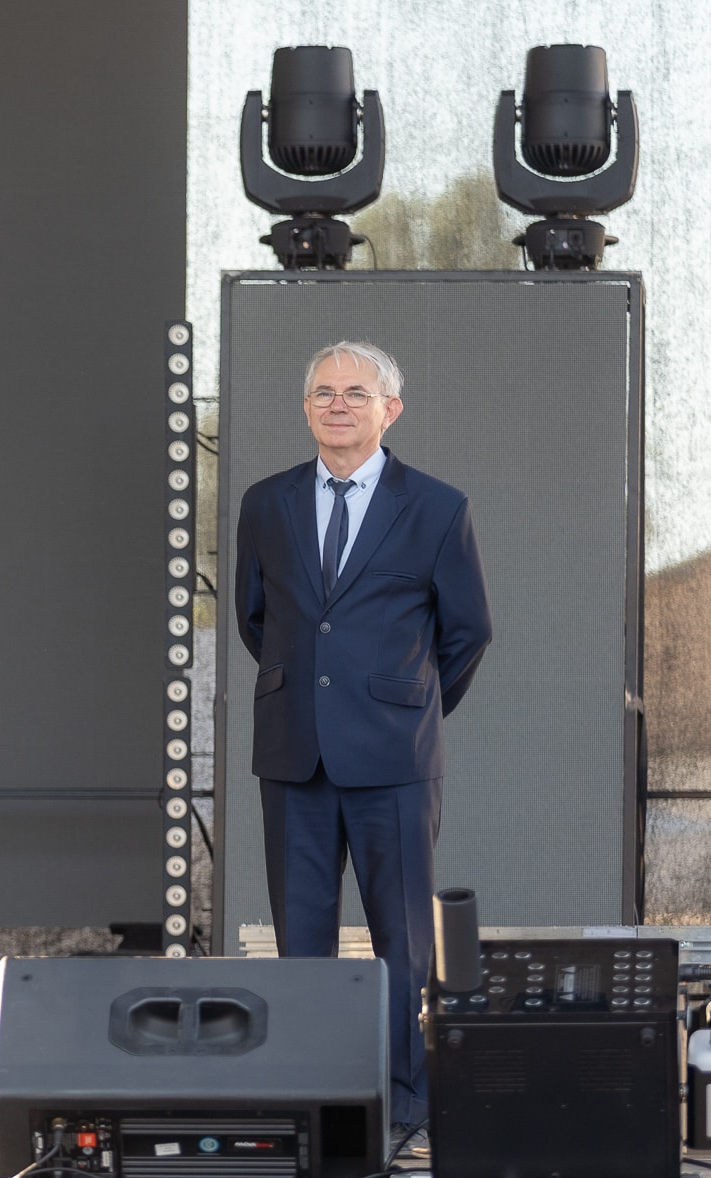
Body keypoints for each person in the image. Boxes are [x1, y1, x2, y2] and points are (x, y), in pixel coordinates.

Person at [234, 339, 491, 1137]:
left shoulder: (438, 507)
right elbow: (256, 618)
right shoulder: (266, 503)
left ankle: (407, 1108)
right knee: (300, 948)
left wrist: (406, 708)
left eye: (355, 392)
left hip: (395, 761)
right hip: (294, 755)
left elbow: (468, 632)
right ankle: (311, 1111)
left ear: (391, 409)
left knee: (404, 947)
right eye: (323, 392)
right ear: (306, 407)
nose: (338, 404)